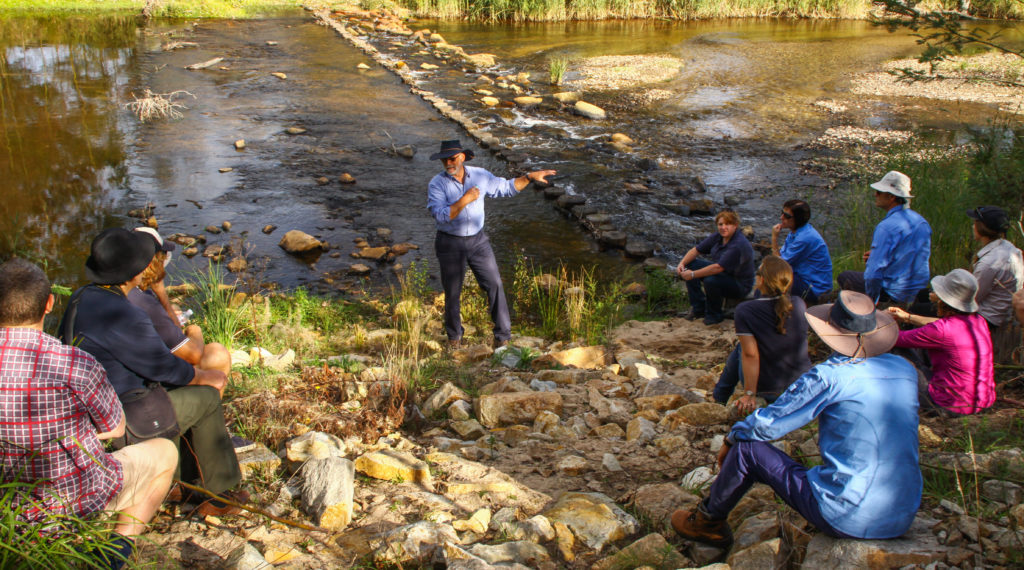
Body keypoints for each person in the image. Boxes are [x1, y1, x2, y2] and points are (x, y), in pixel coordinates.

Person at [672, 291, 921, 546]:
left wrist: (732, 437)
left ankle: (707, 522)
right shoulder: (904, 370)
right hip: (902, 514)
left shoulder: (831, 376)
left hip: (847, 515)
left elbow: (769, 424)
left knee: (747, 449)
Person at [0, 258, 177, 564]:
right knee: (164, 452)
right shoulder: (75, 363)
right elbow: (116, 427)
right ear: (50, 304)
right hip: (73, 503)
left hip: (8, 512)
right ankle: (115, 552)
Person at [60, 228, 245, 516]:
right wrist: (206, 377)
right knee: (206, 398)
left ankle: (179, 480)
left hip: (90, 407)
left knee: (183, 394)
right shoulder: (125, 314)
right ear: (133, 271)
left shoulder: (82, 296)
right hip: (121, 415)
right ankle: (216, 497)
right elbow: (167, 367)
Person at [426, 139, 555, 349]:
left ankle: (502, 337)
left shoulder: (480, 175)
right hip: (450, 243)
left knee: (494, 284)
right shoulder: (436, 184)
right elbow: (440, 216)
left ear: (462, 157)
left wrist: (529, 177)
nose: (447, 164)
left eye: (451, 159)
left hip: (478, 241)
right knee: (452, 292)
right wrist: (464, 200)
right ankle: (454, 339)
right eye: (444, 160)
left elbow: (506, 187)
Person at [712, 256, 811, 413]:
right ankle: (720, 395)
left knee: (742, 348)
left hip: (768, 388)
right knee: (746, 346)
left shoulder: (745, 310)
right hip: (800, 384)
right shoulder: (799, 303)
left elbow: (750, 355)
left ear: (761, 280)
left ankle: (719, 396)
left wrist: (749, 394)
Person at [888, 269, 994, 416]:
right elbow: (940, 325)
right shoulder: (978, 321)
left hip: (950, 405)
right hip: (982, 401)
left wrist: (880, 319)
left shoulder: (941, 330)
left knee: (896, 349)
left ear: (943, 301)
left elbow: (891, 338)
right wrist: (907, 317)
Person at [128, 227, 231, 377]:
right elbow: (192, 354)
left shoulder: (113, 289)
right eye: (162, 256)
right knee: (217, 354)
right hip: (142, 384)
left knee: (174, 307)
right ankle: (207, 398)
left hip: (125, 370)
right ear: (151, 263)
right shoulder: (144, 302)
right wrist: (194, 330)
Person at [837, 171, 931, 304]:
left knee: (845, 276)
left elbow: (873, 275)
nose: (875, 194)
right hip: (916, 290)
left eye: (879, 192)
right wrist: (879, 256)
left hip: (894, 293)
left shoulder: (886, 227)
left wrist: (872, 301)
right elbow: (915, 258)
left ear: (891, 197)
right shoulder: (922, 223)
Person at [677, 210, 756, 325]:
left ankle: (715, 315)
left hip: (740, 283)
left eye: (727, 224)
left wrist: (692, 275)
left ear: (735, 226)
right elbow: (696, 250)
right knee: (690, 264)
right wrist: (682, 264)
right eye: (720, 224)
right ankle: (698, 307)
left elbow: (718, 268)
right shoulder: (718, 237)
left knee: (711, 281)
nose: (723, 227)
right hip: (725, 274)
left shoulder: (738, 245)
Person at [966, 206, 1023, 330]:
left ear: (982, 229)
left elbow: (971, 298)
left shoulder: (989, 263)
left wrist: (939, 298)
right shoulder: (1009, 247)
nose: (972, 227)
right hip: (1003, 313)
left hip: (988, 319)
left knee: (922, 309)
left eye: (975, 223)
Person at [771, 199, 832, 304]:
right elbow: (781, 257)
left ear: (798, 219)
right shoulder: (796, 232)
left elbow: (779, 265)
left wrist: (774, 238)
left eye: (787, 216)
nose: (782, 218)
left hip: (815, 288)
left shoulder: (804, 238)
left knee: (772, 279)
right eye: (782, 213)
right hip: (804, 278)